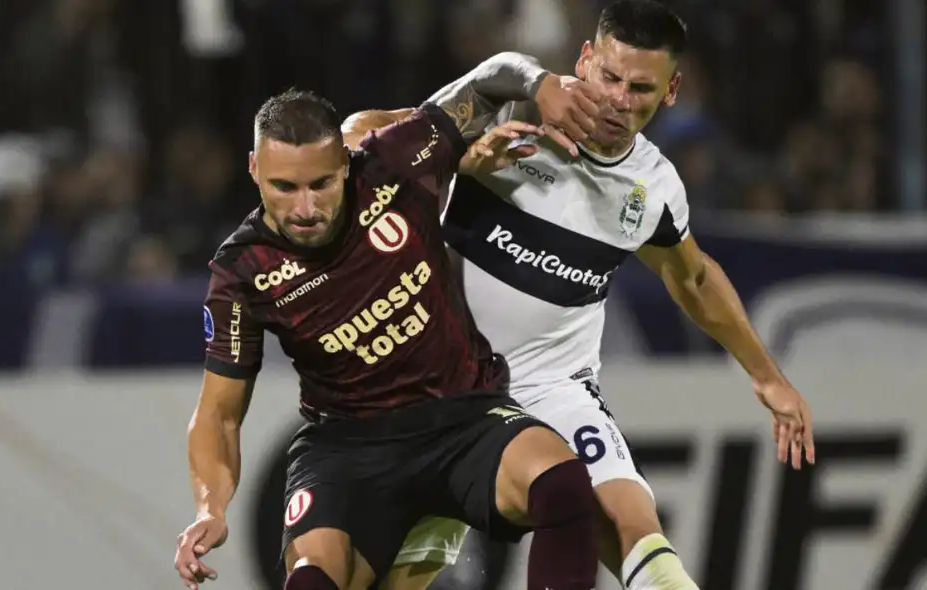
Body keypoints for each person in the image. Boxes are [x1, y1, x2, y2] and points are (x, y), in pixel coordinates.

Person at [344, 1, 816, 590]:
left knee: (634, 528)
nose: (619, 100)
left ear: (670, 91)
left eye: (640, 88)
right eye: (610, 77)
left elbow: (691, 277)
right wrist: (455, 159)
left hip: (553, 388)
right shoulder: (505, 106)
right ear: (585, 59)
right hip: (441, 385)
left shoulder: (654, 187)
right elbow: (358, 136)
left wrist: (766, 375)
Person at [172, 81, 608, 590]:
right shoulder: (242, 272)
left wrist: (536, 88)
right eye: (284, 188)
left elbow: (489, 82)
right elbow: (218, 414)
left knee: (563, 487)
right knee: (313, 583)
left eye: (321, 184)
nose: (305, 208)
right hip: (350, 447)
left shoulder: (393, 160)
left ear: (345, 163)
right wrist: (210, 507)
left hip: (463, 416)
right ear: (254, 171)